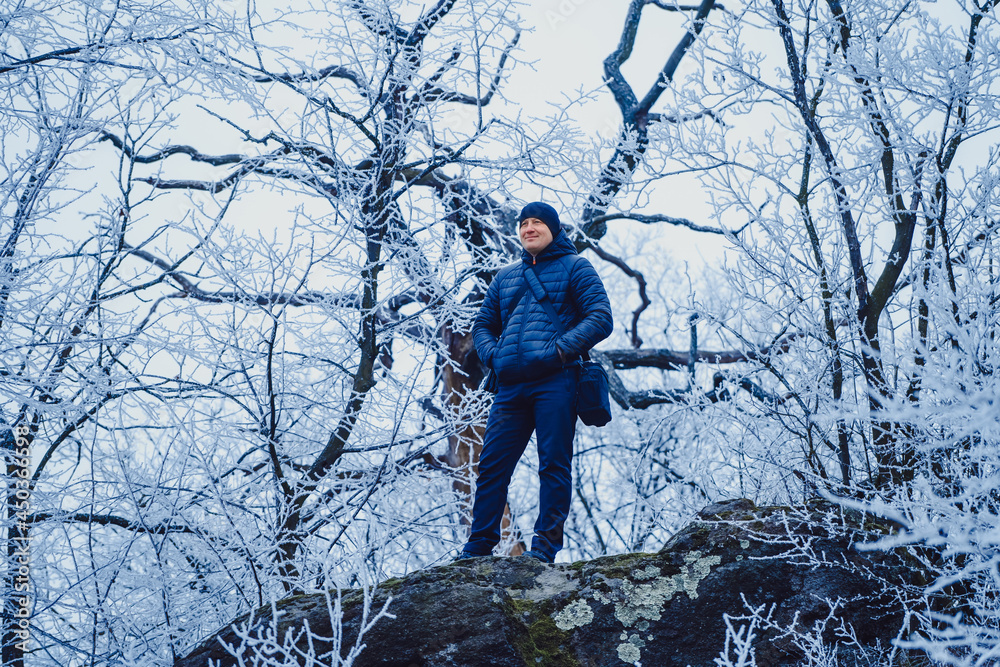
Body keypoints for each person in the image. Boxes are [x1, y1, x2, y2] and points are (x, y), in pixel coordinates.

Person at [458, 201, 613, 563]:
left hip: (556, 381)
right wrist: (494, 356)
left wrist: (558, 351)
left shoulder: (576, 267)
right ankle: (478, 547)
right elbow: (482, 325)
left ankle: (544, 549)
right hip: (510, 387)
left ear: (553, 229)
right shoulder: (506, 277)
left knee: (553, 464)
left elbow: (601, 317)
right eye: (524, 223)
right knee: (492, 466)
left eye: (537, 222)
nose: (529, 228)